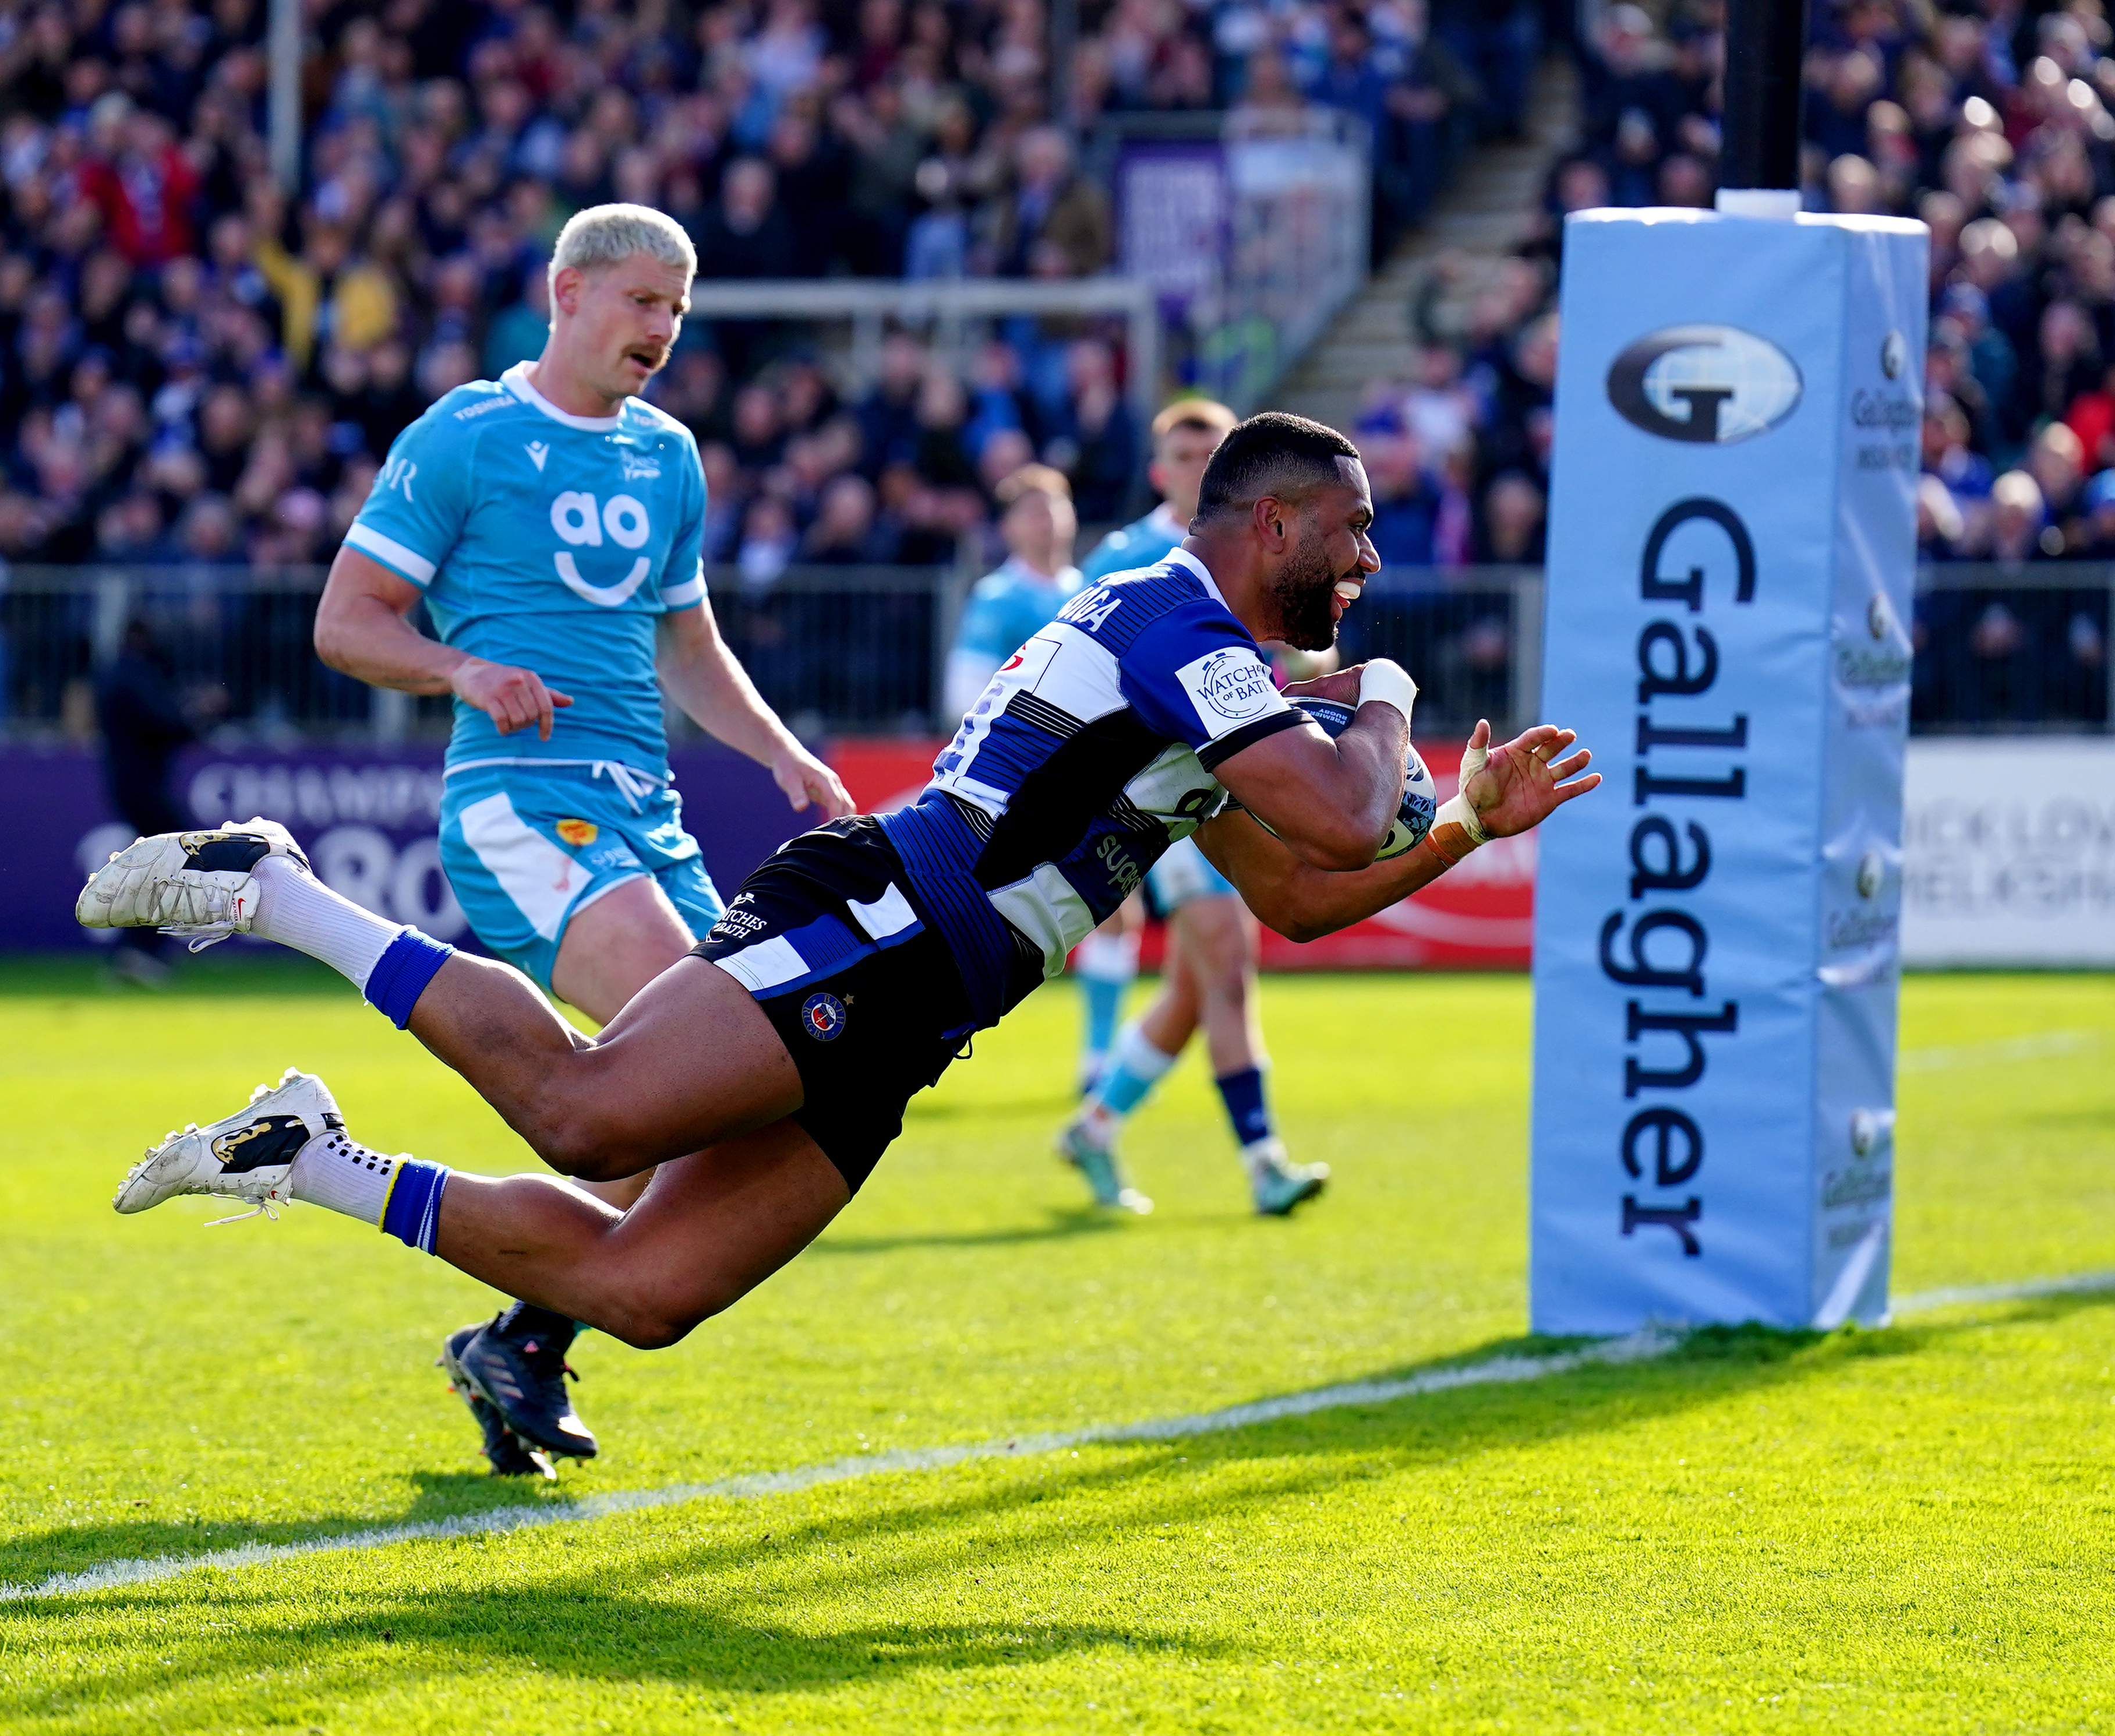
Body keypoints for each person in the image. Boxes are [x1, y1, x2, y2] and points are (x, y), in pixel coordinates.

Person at [79, 412, 1600, 1474]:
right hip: (877, 922)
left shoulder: (1212, 663)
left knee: (645, 1293)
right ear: (1273, 522)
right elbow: (1343, 813)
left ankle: (308, 1157)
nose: (1368, 558)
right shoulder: (1175, 621)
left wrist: (1463, 823)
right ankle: (278, 886)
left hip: (922, 1010)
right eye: (1353, 528)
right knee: (587, 1114)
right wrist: (1387, 696)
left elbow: (1301, 892)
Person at [305, 203, 852, 1475]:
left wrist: (779, 749)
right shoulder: (466, 435)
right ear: (566, 293)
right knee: (686, 1059)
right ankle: (431, 1243)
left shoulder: (667, 456)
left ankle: (524, 1338)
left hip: (646, 812)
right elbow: (346, 620)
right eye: (642, 301)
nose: (662, 329)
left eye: (678, 310)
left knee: (724, 1093)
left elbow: (688, 645)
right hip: (517, 798)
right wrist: (460, 668)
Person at [1060, 398, 1327, 1216]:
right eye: (1186, 454)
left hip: (1234, 781)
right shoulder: (1129, 556)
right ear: (1160, 469)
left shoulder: (1270, 547)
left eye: (1214, 452)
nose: (1200, 466)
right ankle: (1264, 1162)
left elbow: (1309, 658)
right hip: (1163, 792)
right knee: (1229, 973)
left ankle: (1095, 1127)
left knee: (1192, 989)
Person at [937, 465, 1145, 1108]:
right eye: (1032, 510)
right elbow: (962, 694)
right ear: (1008, 527)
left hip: (1098, 781)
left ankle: (1096, 1060)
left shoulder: (1091, 592)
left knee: (1117, 910)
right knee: (984, 919)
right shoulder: (999, 599)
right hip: (1019, 788)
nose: (1047, 521)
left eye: (1055, 507)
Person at [93, 616, 207, 987]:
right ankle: (139, 949)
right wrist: (198, 713)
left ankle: (136, 949)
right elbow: (166, 723)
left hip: (129, 782)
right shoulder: (134, 677)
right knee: (169, 860)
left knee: (160, 861)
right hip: (143, 784)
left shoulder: (115, 675)